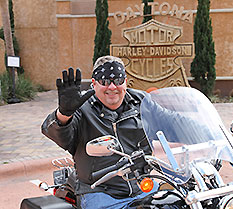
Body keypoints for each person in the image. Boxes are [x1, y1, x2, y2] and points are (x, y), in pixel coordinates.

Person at [41, 56, 157, 209]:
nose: (112, 87)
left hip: (142, 186)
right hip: (99, 191)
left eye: (118, 80)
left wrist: (195, 124)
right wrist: (64, 114)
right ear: (94, 84)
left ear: (126, 82)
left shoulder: (141, 101)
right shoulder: (82, 107)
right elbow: (59, 135)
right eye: (104, 81)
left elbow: (171, 121)